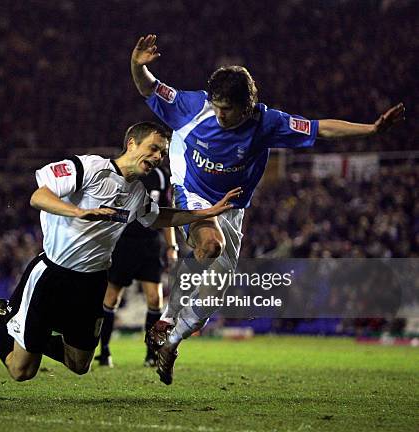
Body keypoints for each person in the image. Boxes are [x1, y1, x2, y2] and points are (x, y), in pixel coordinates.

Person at [130, 34, 406, 385]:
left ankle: (172, 340)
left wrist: (371, 128)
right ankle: (167, 317)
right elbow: (148, 88)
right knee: (208, 246)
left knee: (216, 289)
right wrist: (137, 65)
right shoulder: (191, 107)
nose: (219, 114)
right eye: (216, 106)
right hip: (193, 194)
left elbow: (321, 129)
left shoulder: (267, 123)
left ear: (246, 106)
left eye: (226, 109)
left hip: (232, 210)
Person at [0, 121, 242, 382]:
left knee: (80, 364)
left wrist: (205, 213)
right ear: (131, 143)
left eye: (162, 153)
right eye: (153, 148)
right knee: (22, 371)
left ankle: (29, 336)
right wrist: (80, 212)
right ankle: (2, 325)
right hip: (52, 276)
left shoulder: (138, 194)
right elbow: (38, 197)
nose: (157, 157)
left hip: (92, 282)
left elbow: (159, 218)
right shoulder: (89, 168)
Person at [94, 165, 178, 368]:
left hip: (150, 243)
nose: (156, 155)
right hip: (123, 242)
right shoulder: (122, 173)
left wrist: (171, 246)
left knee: (155, 299)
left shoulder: (161, 176)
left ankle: (151, 354)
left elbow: (167, 214)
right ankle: (104, 352)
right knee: (111, 298)